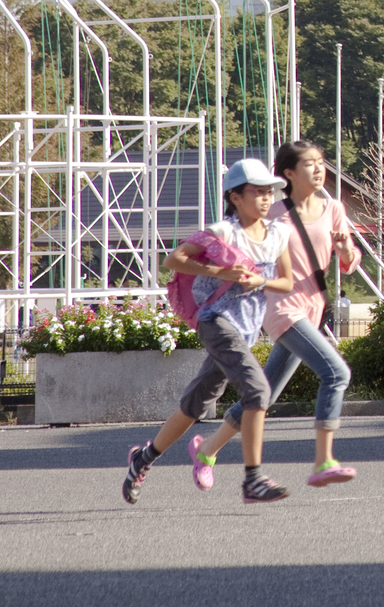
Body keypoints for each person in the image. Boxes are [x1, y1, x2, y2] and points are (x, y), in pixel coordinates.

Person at [120, 158, 296, 506]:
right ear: (235, 197)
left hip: (246, 329)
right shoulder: (223, 233)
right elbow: (173, 260)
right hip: (215, 320)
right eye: (257, 192)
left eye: (269, 192)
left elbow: (287, 281)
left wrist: (261, 280)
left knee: (196, 405)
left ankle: (144, 458)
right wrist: (220, 271)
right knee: (259, 390)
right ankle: (253, 479)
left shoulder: (278, 234)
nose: (265, 198)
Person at [188, 139, 360, 488]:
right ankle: (323, 460)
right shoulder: (274, 214)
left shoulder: (334, 209)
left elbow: (350, 263)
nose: (318, 168)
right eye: (309, 163)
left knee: (264, 392)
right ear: (288, 174)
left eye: (321, 161)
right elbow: (245, 247)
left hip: (313, 309)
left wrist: (344, 249)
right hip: (281, 307)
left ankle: (207, 449)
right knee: (336, 374)